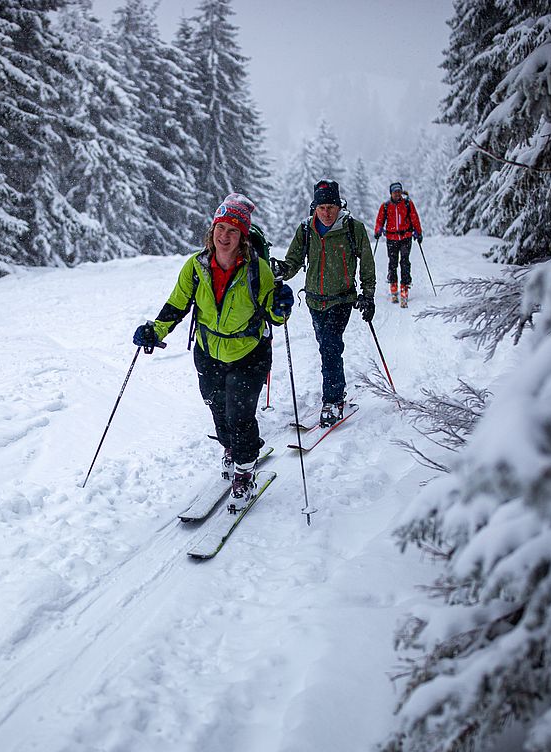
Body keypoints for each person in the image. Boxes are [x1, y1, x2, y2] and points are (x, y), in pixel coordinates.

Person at [132, 193, 293, 511]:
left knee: (240, 414)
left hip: (249, 353)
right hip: (208, 351)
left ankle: (245, 474)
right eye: (220, 227)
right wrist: (155, 330)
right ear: (212, 230)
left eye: (233, 230)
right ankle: (232, 449)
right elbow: (177, 304)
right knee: (217, 408)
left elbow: (274, 315)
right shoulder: (196, 267)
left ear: (242, 237)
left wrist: (281, 306)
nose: (224, 235)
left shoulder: (256, 270)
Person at [275, 179, 376, 427]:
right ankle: (337, 390)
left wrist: (368, 294)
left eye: (331, 206)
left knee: (330, 346)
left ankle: (332, 400)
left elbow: (367, 263)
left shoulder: (353, 228)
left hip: (342, 299)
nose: (327, 212)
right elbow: (293, 262)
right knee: (326, 346)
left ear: (339, 206)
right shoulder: (306, 230)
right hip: (313, 300)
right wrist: (278, 270)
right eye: (322, 207)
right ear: (315, 208)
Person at [374, 181, 423, 307]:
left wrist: (418, 232)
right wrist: (378, 230)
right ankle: (393, 287)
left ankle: (404, 287)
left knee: (405, 262)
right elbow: (380, 220)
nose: (397, 194)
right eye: (395, 192)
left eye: (398, 191)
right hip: (391, 238)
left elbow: (414, 218)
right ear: (391, 193)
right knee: (393, 262)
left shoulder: (407, 203)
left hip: (406, 237)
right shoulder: (385, 206)